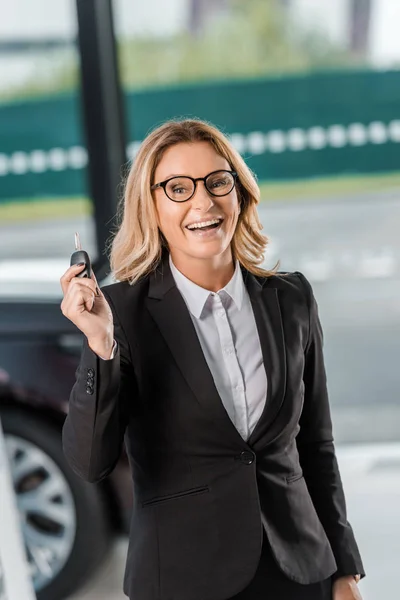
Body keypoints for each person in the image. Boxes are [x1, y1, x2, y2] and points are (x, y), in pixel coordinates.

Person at [60, 119, 365, 600]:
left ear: (239, 191)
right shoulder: (120, 312)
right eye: (178, 188)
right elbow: (90, 462)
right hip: (183, 579)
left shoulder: (292, 299)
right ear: (152, 206)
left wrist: (345, 569)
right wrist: (102, 347)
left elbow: (316, 447)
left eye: (217, 182)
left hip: (299, 574)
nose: (203, 203)